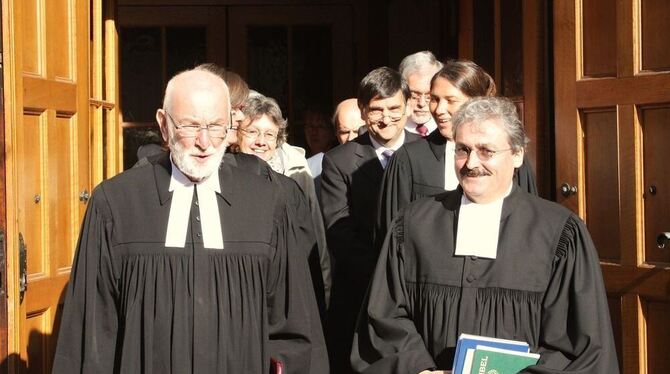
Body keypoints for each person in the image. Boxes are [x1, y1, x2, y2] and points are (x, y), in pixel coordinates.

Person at [52, 68, 328, 373]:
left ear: (232, 126)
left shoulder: (269, 203)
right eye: (190, 125)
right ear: (164, 125)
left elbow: (295, 326)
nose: (204, 141)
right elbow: (90, 333)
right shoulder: (116, 203)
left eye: (216, 126)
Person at [352, 97, 619, 373]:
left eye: (486, 151)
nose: (471, 163)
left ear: (516, 155)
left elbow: (581, 345)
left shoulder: (559, 232)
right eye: (463, 150)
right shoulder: (412, 225)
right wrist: (418, 368)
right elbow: (383, 318)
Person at [319, 67, 421, 374]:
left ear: (408, 107)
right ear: (363, 111)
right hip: (361, 288)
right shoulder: (339, 160)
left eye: (394, 109)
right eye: (376, 110)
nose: (386, 118)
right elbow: (339, 228)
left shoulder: (429, 152)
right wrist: (383, 273)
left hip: (418, 287)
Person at [376, 59, 537, 249]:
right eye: (434, 99)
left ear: (476, 101)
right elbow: (392, 235)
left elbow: (529, 223)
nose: (439, 110)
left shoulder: (508, 155)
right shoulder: (408, 159)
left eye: (451, 100)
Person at [238, 94, 331, 311]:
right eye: (252, 132)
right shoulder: (219, 177)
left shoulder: (289, 186)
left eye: (270, 134)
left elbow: (312, 240)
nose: (261, 141)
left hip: (280, 296)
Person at [398, 51, 443, 137]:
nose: (421, 104)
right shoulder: (390, 130)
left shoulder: (450, 131)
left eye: (429, 97)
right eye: (414, 96)